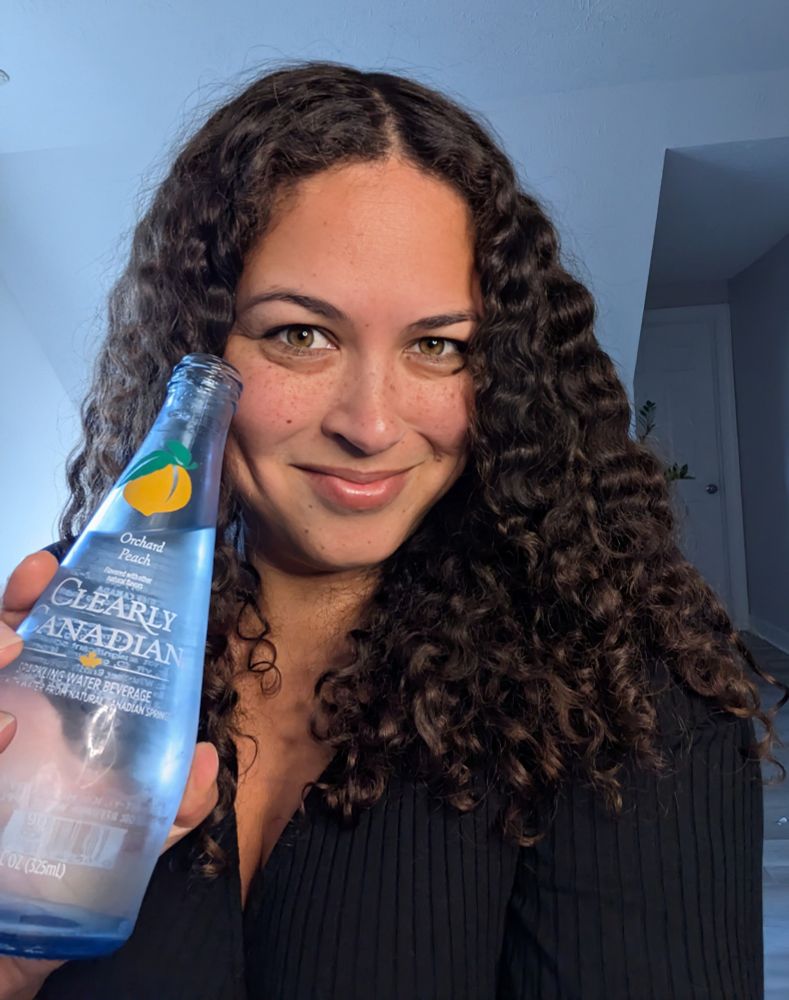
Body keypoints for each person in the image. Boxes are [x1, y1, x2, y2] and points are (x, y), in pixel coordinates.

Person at [0, 60, 785, 1000]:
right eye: (302, 333)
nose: (369, 425)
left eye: (436, 346)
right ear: (199, 349)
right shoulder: (78, 637)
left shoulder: (620, 687)